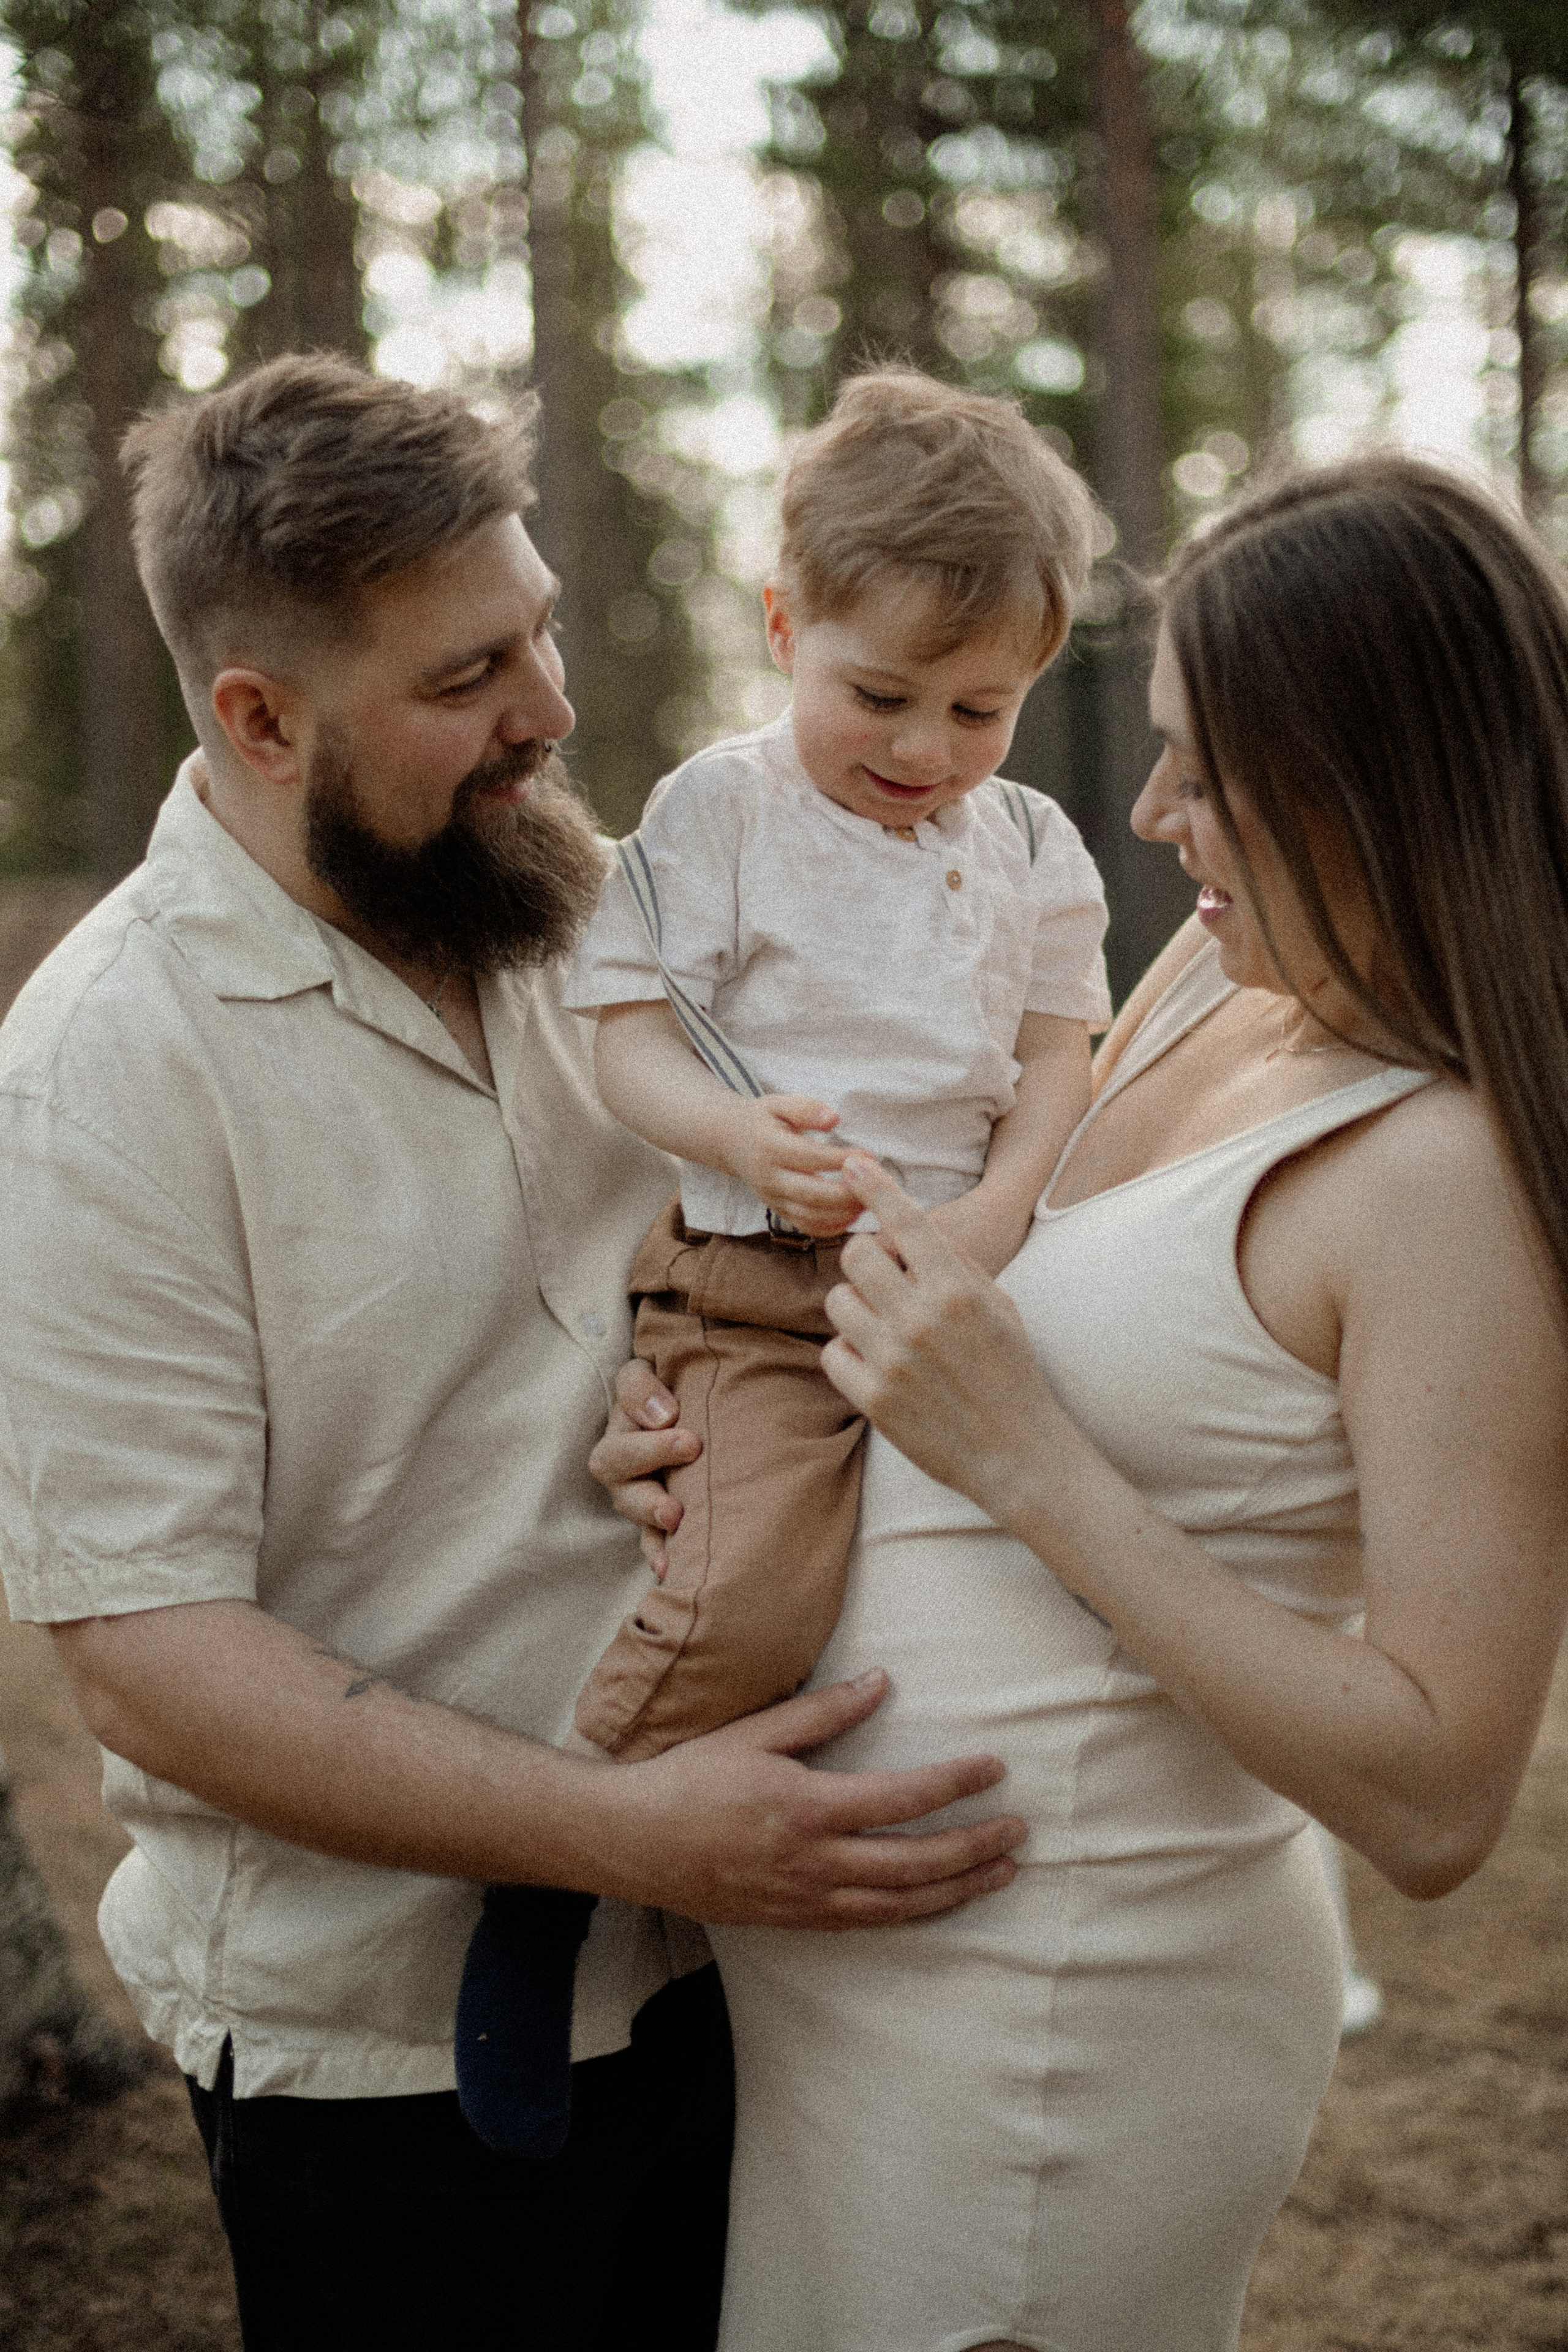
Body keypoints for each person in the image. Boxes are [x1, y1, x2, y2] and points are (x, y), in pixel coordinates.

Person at [0, 354, 1029, 2352]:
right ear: (261, 717)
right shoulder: (98, 1080)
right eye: (473, 673)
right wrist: (627, 1831)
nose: (551, 711)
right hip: (387, 2075)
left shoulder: (591, 924)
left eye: (543, 626)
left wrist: (665, 1407)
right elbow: (152, 1654)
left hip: (745, 1968)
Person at [627, 453, 1568, 2352]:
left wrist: (1026, 1466)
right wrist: (717, 1430)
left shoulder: (1450, 1177)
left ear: (1377, 775)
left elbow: (1440, 1791)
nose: (1150, 816)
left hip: (1068, 2019)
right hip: (859, 2006)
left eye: (1209, 774)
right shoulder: (1209, 986)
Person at [454, 370, 1112, 2157]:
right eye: (876, 694)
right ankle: (558, 1871)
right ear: (784, 627)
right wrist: (741, 1140)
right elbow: (632, 1041)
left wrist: (993, 1211)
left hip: (970, 1273)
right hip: (758, 1288)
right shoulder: (722, 812)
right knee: (749, 1587)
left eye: (981, 707)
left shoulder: (1038, 845)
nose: (924, 749)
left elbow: (1063, 1054)